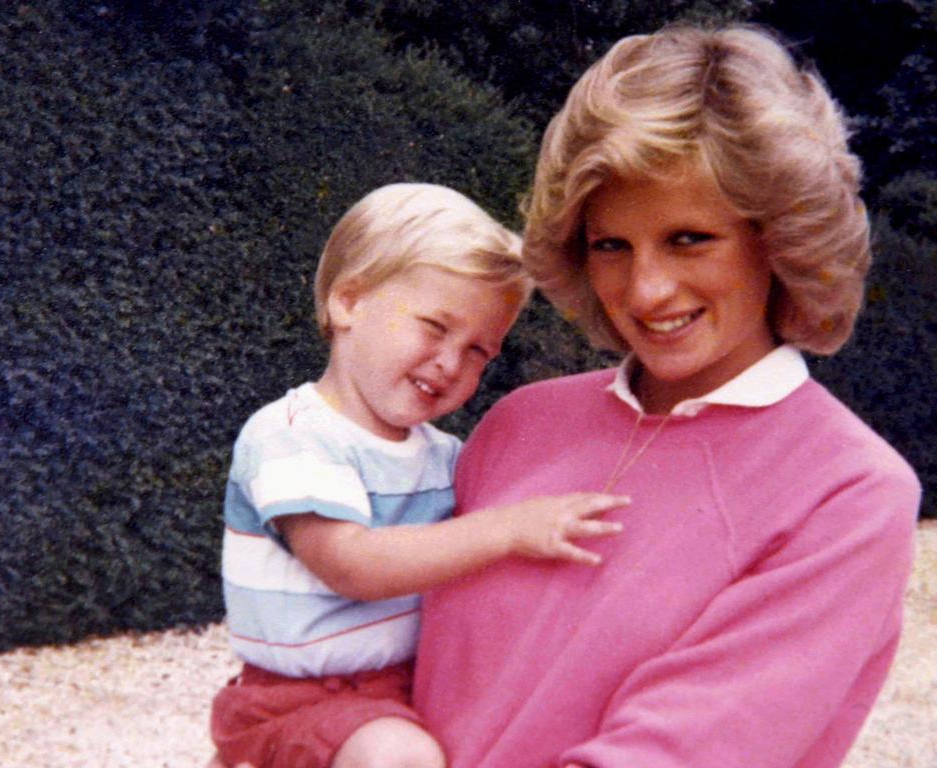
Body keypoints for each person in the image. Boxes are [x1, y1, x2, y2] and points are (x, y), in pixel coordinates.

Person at [412, 24, 921, 768]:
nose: (646, 291)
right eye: (611, 245)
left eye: (688, 238)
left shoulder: (848, 492)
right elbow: (366, 654)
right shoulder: (521, 423)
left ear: (778, 240)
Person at [208, 183, 629, 768]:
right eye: (435, 326)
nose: (451, 362)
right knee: (402, 758)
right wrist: (507, 530)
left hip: (407, 689)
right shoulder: (292, 435)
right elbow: (351, 564)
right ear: (349, 302)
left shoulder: (445, 455)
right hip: (295, 701)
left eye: (480, 350)